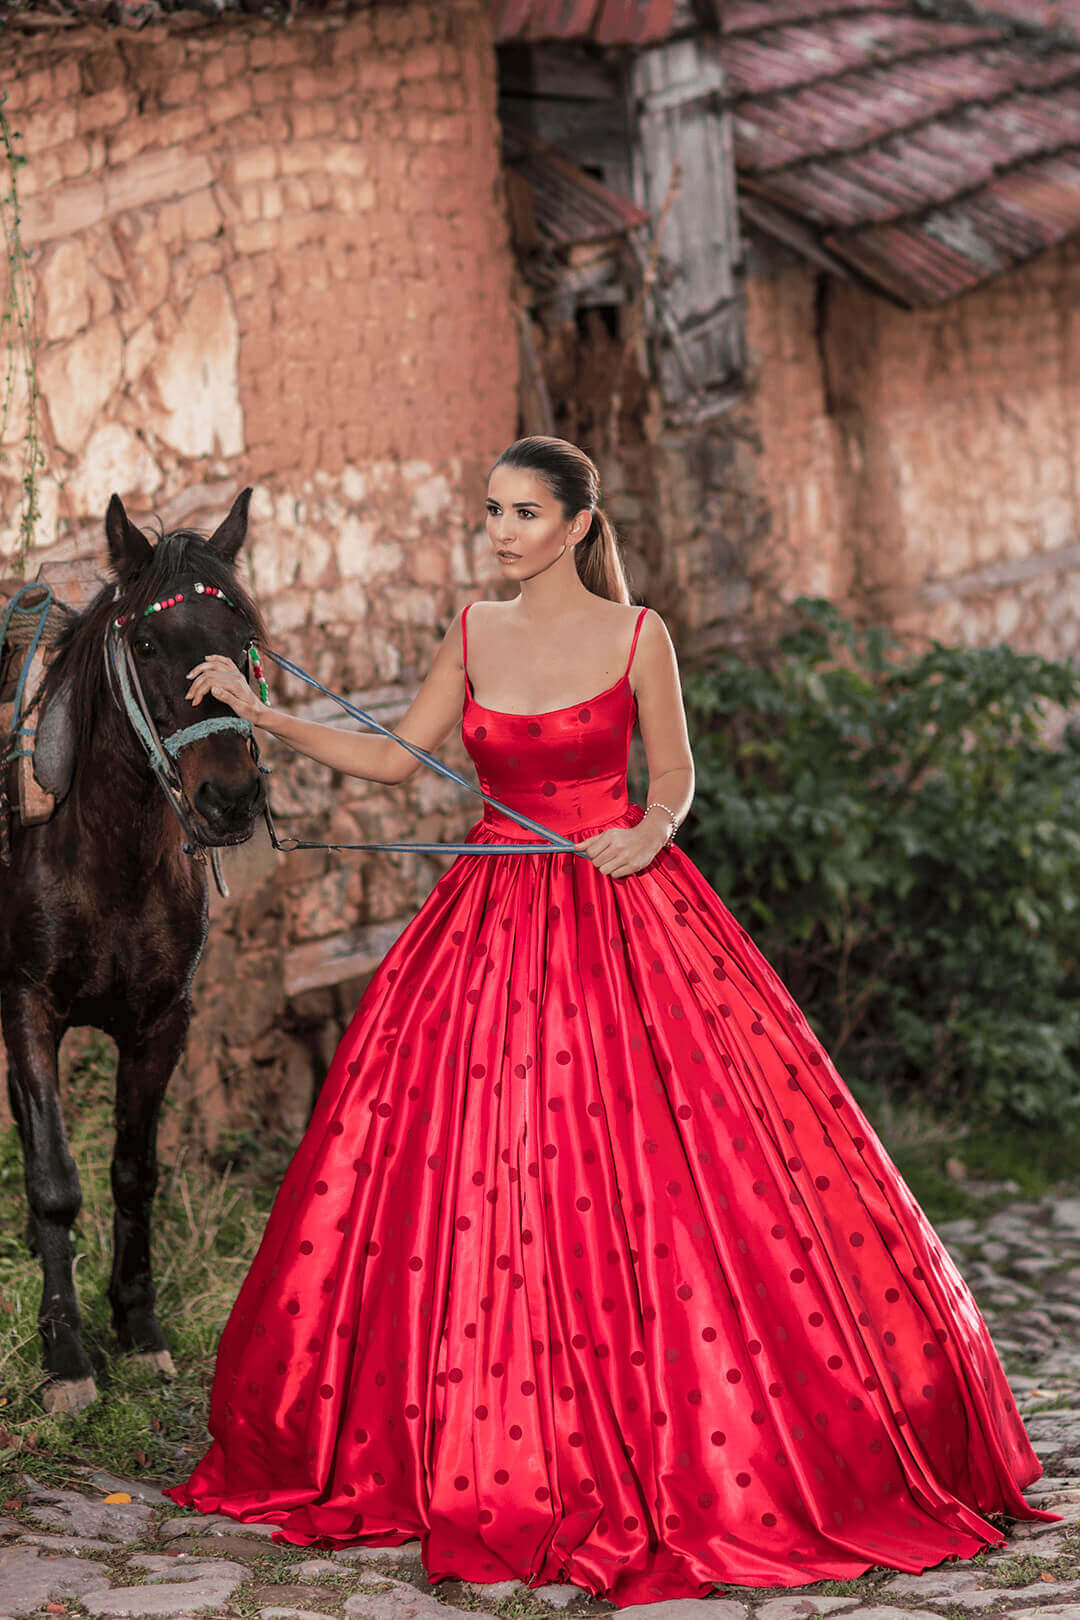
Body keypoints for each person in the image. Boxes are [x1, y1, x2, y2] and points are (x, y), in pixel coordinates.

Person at [165, 436, 1057, 1605]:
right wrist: (257, 713)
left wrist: (651, 829)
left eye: (525, 514)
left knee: (673, 1166)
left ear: (579, 525)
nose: (500, 531)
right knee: (469, 1169)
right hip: (485, 924)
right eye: (491, 511)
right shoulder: (475, 631)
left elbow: (676, 776)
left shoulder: (642, 638)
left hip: (623, 907)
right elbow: (391, 766)